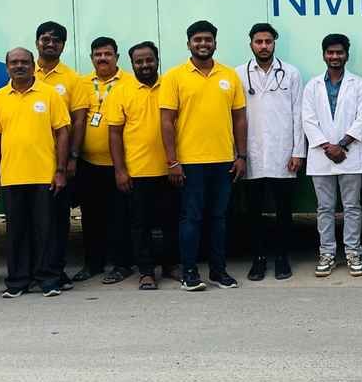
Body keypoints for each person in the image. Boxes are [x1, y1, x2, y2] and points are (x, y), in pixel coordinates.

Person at [159, 20, 248, 291]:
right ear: (188, 44)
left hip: (223, 160)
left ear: (215, 43)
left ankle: (218, 272)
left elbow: (240, 119)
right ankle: (189, 272)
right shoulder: (175, 76)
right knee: (191, 219)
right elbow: (166, 121)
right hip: (190, 163)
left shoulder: (229, 75)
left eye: (208, 39)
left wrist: (241, 155)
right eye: (197, 40)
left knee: (219, 219)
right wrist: (173, 161)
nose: (203, 44)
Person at [0, 48, 71, 297]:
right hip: (12, 176)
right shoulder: (0, 97)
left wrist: (61, 170)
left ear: (33, 65)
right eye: (14, 62)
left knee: (46, 230)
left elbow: (63, 132)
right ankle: (18, 281)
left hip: (44, 175)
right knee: (16, 231)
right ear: (7, 67)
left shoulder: (49, 95)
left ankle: (47, 279)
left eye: (24, 62)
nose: (19, 66)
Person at [106, 41, 178, 290]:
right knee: (140, 225)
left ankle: (170, 266)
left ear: (157, 60)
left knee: (171, 222)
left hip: (171, 170)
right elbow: (114, 134)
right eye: (139, 61)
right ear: (132, 64)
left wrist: (176, 163)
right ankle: (146, 271)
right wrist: (120, 170)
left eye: (149, 60)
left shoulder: (170, 86)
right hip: (137, 172)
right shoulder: (121, 91)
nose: (145, 65)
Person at [237, 23, 305, 281]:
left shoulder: (290, 73)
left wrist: (298, 152)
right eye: (259, 41)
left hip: (283, 153)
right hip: (251, 154)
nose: (263, 46)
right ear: (251, 43)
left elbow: (298, 114)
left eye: (268, 41)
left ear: (275, 42)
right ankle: (258, 259)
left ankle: (281, 258)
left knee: (283, 211)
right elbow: (235, 117)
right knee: (254, 212)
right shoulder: (239, 74)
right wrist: (238, 154)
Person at [302, 33, 362, 277]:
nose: (335, 56)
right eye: (330, 52)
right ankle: (327, 253)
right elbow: (308, 120)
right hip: (322, 156)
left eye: (339, 52)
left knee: (352, 206)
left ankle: (353, 252)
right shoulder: (312, 85)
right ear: (324, 55)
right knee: (324, 208)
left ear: (346, 55)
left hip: (349, 154)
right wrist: (327, 146)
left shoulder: (358, 84)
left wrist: (342, 144)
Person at [34, 21, 90, 288]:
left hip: (59, 163)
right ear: (37, 42)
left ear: (63, 46)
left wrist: (72, 158)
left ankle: (56, 270)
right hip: (28, 164)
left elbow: (78, 121)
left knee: (57, 220)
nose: (50, 43)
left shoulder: (72, 79)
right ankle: (34, 270)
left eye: (56, 40)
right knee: (30, 221)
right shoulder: (22, 71)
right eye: (45, 39)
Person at [75, 36, 133, 284]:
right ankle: (93, 264)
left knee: (120, 217)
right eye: (97, 55)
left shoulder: (129, 83)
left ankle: (122, 264)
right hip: (89, 164)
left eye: (107, 54)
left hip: (120, 164)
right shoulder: (82, 83)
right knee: (91, 217)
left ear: (117, 58)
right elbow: (78, 119)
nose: (102, 58)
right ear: (91, 58)